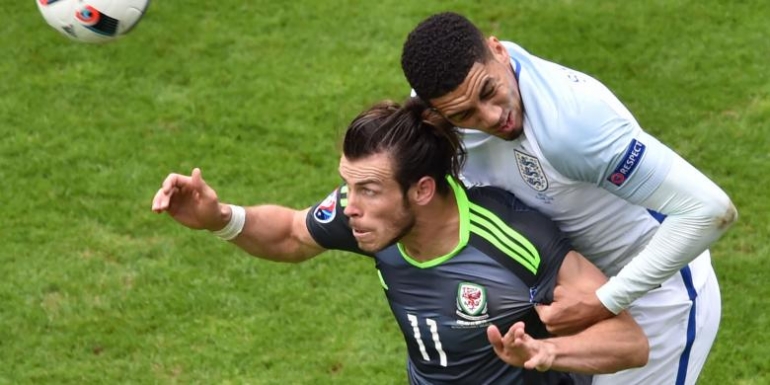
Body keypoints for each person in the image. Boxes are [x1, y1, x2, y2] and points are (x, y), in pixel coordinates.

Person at [151, 99, 649, 384]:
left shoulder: (515, 239)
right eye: (348, 185)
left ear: (423, 190)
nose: (349, 205)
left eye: (367, 189)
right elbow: (291, 233)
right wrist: (218, 217)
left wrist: (548, 354)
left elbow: (629, 341)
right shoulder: (371, 216)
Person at [399, 12, 738, 385]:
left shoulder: (571, 127)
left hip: (658, 301)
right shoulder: (442, 107)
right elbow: (386, 170)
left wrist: (604, 300)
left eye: (488, 91)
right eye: (464, 114)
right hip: (570, 295)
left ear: (498, 50)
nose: (494, 117)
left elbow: (709, 210)